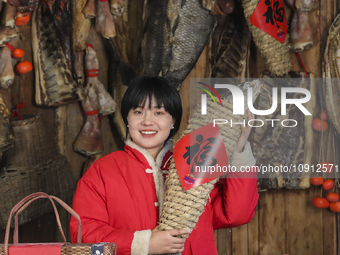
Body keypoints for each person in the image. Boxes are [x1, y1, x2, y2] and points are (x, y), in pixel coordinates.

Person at [70, 76, 259, 255]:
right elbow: (84, 234)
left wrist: (239, 149)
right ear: (127, 120)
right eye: (138, 112)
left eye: (158, 112)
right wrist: (144, 243)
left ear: (173, 121)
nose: (147, 121)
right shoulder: (102, 171)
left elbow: (235, 214)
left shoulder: (195, 162)